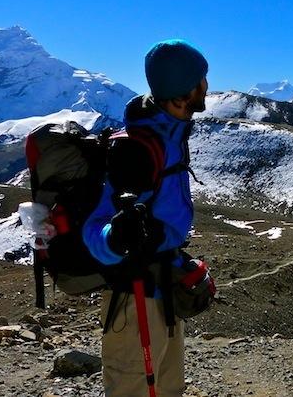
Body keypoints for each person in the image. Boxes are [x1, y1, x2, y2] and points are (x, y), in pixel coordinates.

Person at [83, 39, 208, 396]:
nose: (207, 86)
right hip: (134, 293)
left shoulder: (169, 134)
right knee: (133, 389)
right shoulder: (137, 148)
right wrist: (116, 237)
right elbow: (94, 232)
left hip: (162, 286)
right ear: (184, 91)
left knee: (168, 388)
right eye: (201, 78)